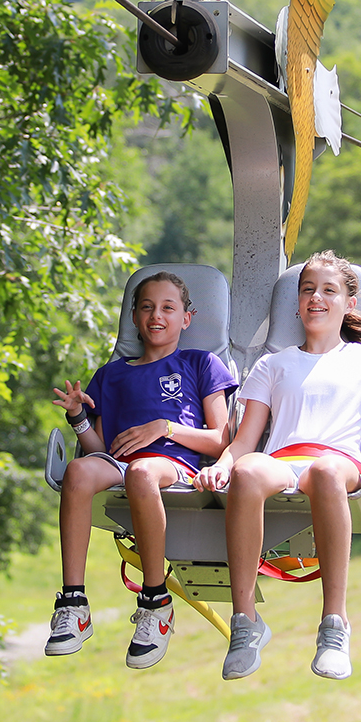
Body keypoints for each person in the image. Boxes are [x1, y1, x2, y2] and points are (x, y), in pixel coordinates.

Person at [194, 251, 361, 681]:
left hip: (338, 463)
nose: (316, 297)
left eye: (328, 290)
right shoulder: (272, 365)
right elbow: (245, 442)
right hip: (285, 461)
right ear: (297, 303)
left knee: (322, 472)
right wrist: (223, 465)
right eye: (307, 290)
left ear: (348, 304)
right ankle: (245, 623)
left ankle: (334, 624)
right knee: (248, 471)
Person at [48, 271, 237, 668]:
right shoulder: (111, 375)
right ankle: (74, 603)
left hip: (174, 464)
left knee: (143, 472)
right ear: (133, 316)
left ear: (187, 318)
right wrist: (79, 417)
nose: (157, 316)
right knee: (80, 471)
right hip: (122, 465)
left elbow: (222, 437)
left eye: (169, 308)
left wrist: (164, 427)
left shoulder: (200, 363)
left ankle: (155, 600)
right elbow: (100, 448)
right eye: (147, 307)